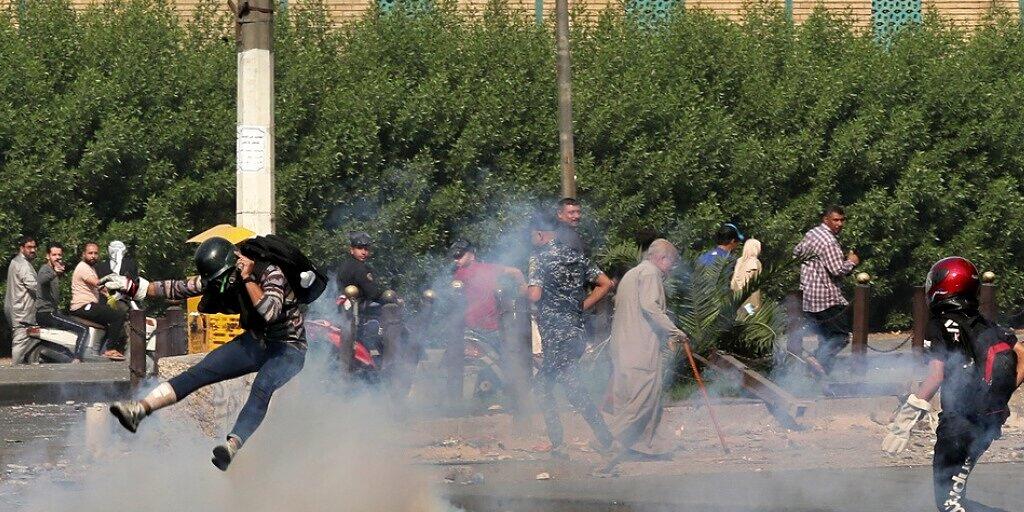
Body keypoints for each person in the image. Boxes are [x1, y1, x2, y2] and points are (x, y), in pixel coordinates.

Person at [106, 236, 313, 471]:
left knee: (262, 387)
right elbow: (179, 287)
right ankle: (140, 409)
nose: (221, 286)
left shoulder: (271, 273)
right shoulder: (221, 276)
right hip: (257, 342)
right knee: (200, 372)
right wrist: (132, 286)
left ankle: (232, 446)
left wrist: (247, 278)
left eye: (224, 279)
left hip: (290, 348)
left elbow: (270, 312)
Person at [881, 257, 1024, 511]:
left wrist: (905, 420)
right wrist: (1001, 393)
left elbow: (937, 374)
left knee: (949, 503)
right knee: (955, 499)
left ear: (941, 287)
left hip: (958, 426)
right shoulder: (985, 324)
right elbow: (1021, 353)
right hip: (989, 422)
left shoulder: (938, 324)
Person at [528, 219, 616, 459]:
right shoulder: (575, 256)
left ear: (539, 233)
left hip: (556, 334)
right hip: (575, 331)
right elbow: (606, 283)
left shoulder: (540, 258)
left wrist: (519, 288)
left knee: (547, 385)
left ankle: (559, 443)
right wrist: (581, 307)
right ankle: (603, 437)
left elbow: (535, 295)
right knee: (569, 385)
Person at [606, 239, 688, 463]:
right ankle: (606, 435)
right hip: (641, 346)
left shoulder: (632, 274)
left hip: (622, 345)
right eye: (671, 262)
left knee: (627, 397)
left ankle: (634, 447)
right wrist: (674, 331)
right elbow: (650, 306)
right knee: (644, 399)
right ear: (663, 259)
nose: (671, 268)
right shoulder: (651, 274)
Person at [792, 206, 859, 375]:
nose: (840, 224)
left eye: (842, 220)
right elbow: (837, 270)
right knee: (840, 337)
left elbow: (796, 253)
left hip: (808, 295)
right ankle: (816, 361)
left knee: (825, 338)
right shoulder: (829, 241)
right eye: (836, 220)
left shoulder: (812, 233)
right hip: (826, 298)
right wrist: (851, 261)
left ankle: (818, 378)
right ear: (826, 220)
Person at [450, 239, 526, 342]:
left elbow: (516, 272)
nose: (456, 260)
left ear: (472, 256)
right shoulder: (485, 268)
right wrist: (522, 291)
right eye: (455, 257)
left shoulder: (461, 273)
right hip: (488, 327)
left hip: (478, 328)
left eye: (460, 256)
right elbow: (517, 272)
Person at [69, 242, 127, 361]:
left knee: (111, 320)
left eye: (95, 253)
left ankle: (100, 352)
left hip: (89, 305)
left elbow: (100, 289)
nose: (93, 256)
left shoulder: (91, 268)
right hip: (82, 306)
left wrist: (113, 295)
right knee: (118, 316)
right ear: (84, 254)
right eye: (90, 253)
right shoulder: (82, 267)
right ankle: (110, 349)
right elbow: (97, 283)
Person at [35, 243, 91, 361]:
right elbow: (42, 280)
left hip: (50, 312)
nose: (57, 257)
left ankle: (65, 357)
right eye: (54, 255)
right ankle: (78, 359)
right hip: (47, 313)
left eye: (59, 255)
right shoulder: (45, 269)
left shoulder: (53, 271)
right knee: (84, 329)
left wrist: (57, 273)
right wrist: (55, 272)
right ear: (47, 256)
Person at [4, 236, 38, 364]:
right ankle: (15, 376)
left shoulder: (16, 262)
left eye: (34, 247)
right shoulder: (23, 265)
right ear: (22, 248)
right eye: (29, 247)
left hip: (16, 310)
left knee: (25, 343)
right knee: (20, 342)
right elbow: (33, 286)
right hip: (22, 312)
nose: (33, 250)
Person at [730, 238, 763, 320]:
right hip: (750, 299)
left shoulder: (739, 261)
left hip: (737, 296)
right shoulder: (755, 262)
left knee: (739, 319)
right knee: (751, 320)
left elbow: (734, 281)